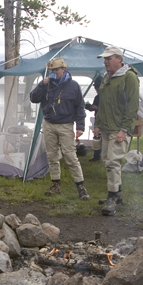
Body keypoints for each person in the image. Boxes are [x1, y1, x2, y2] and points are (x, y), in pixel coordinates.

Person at [29, 57, 90, 200]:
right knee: (52, 156)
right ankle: (56, 185)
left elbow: (80, 106)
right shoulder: (46, 85)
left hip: (66, 124)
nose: (54, 72)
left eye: (56, 70)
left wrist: (80, 126)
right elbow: (33, 98)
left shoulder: (73, 86)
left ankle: (81, 187)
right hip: (49, 124)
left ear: (64, 70)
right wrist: (41, 85)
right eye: (52, 70)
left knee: (70, 156)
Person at [94, 46, 140, 216]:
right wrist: (97, 124)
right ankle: (116, 194)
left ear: (119, 59)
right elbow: (103, 103)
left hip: (118, 128)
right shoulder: (108, 77)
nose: (105, 61)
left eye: (109, 58)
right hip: (106, 127)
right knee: (107, 161)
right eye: (104, 59)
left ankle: (112, 197)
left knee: (113, 162)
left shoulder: (129, 77)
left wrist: (124, 130)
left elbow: (132, 106)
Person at [84, 76, 103, 162]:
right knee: (96, 137)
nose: (96, 89)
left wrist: (98, 108)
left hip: (106, 120)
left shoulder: (107, 96)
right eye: (96, 87)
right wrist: (87, 106)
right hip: (97, 119)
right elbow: (93, 108)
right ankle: (96, 156)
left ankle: (104, 156)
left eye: (97, 87)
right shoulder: (97, 97)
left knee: (105, 138)